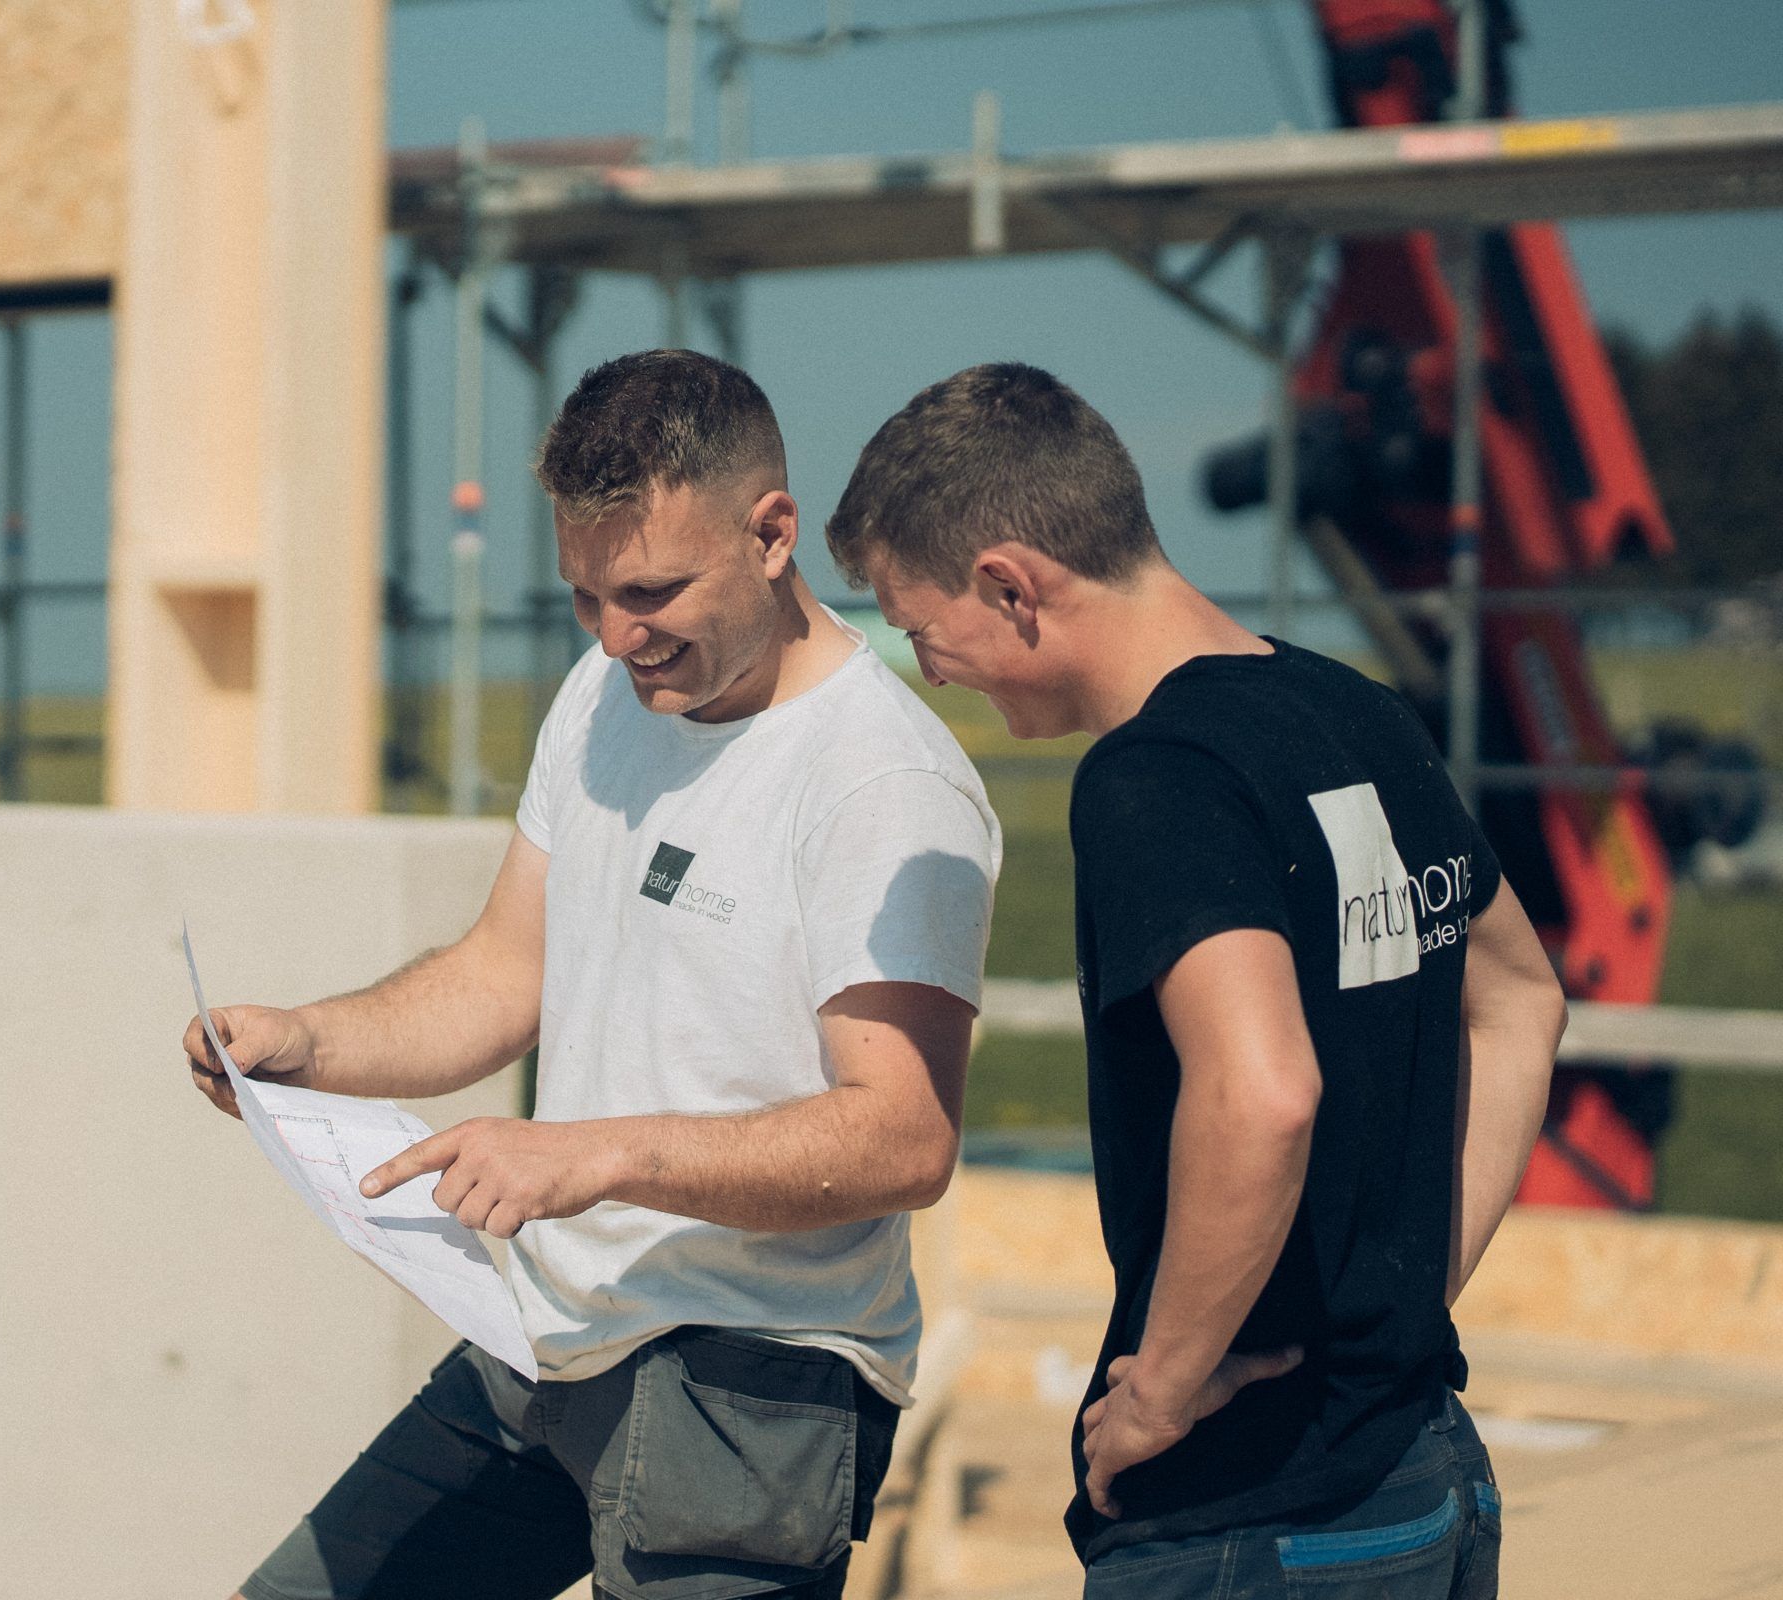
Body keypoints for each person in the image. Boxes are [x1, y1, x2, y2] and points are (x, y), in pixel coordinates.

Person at [181, 349, 1000, 1600]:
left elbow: (901, 1138)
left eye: (652, 591)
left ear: (772, 534)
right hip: (541, 1340)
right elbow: (506, 972)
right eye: (584, 597)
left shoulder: (882, 784)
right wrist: (309, 1041)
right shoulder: (608, 690)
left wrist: (595, 1153)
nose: (620, 637)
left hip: (748, 1385)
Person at [828, 361, 1566, 1599]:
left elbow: (1264, 1089)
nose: (932, 670)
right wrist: (1402, 1292)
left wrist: (1162, 1388)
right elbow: (1523, 998)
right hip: (1422, 1470)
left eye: (918, 628)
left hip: (1254, 1513)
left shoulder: (1153, 777)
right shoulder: (1358, 711)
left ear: (1010, 585)